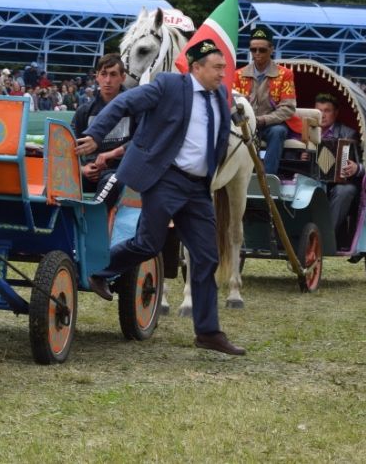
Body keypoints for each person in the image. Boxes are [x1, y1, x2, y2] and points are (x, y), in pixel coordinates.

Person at [74, 39, 245, 356]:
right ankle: (99, 269)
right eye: (217, 67)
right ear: (196, 68)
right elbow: (124, 105)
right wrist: (96, 134)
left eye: (224, 67)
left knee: (206, 257)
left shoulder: (221, 95)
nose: (223, 73)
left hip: (198, 188)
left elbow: (220, 137)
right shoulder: (167, 86)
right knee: (148, 244)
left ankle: (208, 332)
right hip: (164, 178)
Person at [70, 54, 136, 208]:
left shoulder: (135, 109)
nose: (108, 80)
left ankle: (93, 225)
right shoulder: (84, 111)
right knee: (57, 182)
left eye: (113, 75)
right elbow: (69, 147)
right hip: (89, 172)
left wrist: (111, 154)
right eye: (103, 74)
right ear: (97, 77)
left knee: (111, 181)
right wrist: (81, 169)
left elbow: (142, 142)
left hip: (120, 172)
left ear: (123, 77)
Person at [233, 25, 296, 176]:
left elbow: (287, 108)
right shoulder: (238, 74)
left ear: (271, 49)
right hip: (245, 124)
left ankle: (267, 177)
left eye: (262, 50)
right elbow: (233, 104)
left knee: (278, 131)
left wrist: (262, 120)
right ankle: (232, 174)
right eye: (253, 50)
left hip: (269, 125)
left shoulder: (285, 74)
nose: (257, 53)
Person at [312, 93, 364, 246]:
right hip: (310, 180)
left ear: (335, 113)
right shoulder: (305, 131)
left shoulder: (348, 133)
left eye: (327, 111)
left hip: (339, 183)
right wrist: (301, 157)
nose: (322, 115)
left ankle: (325, 238)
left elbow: (364, 164)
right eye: (318, 110)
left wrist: (356, 168)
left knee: (345, 191)